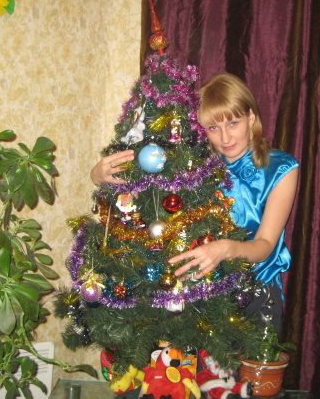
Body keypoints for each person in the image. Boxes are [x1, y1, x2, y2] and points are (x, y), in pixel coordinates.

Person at [90, 73, 299, 334]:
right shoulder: (194, 168)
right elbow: (141, 186)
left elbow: (265, 246)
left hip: (256, 292)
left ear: (251, 117)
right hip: (200, 295)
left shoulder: (279, 168)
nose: (225, 138)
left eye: (233, 123)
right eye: (213, 128)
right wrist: (97, 175)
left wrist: (225, 249)